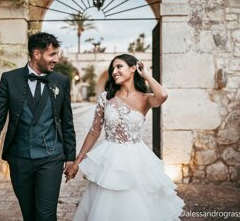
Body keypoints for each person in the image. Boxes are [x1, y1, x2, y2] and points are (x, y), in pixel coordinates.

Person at [66, 54, 185, 221]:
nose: (114, 72)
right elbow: (94, 131)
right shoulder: (105, 98)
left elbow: (163, 96)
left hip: (137, 160)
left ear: (133, 68)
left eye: (119, 67)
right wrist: (77, 162)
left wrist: (147, 75)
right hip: (110, 160)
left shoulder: (145, 99)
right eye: (112, 69)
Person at [0, 32, 76, 221]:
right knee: (29, 214)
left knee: (46, 214)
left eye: (57, 54)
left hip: (51, 158)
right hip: (19, 158)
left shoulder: (61, 82)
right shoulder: (9, 79)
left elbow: (67, 122)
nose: (56, 59)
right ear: (36, 54)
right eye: (52, 55)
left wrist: (71, 157)